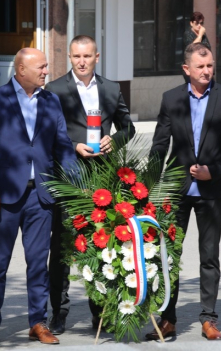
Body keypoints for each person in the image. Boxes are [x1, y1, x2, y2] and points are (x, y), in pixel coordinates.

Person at [0, 48, 77, 347]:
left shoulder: (50, 100)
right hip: (4, 198)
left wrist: (75, 185)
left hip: (40, 197)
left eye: (46, 66)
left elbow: (63, 146)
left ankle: (38, 322)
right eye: (41, 67)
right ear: (21, 70)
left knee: (37, 264)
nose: (47, 71)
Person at [146, 42, 221, 341]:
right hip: (177, 190)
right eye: (200, 66)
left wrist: (212, 171)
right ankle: (168, 319)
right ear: (186, 69)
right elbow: (160, 145)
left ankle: (208, 319)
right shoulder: (171, 98)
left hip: (211, 190)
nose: (207, 71)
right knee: (169, 256)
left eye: (210, 65)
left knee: (209, 255)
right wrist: (150, 187)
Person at [45, 35, 136, 334]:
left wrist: (115, 139)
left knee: (100, 244)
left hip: (102, 179)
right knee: (62, 246)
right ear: (70, 58)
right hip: (69, 179)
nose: (81, 62)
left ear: (97, 57)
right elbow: (45, 132)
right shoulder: (55, 89)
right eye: (76, 57)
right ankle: (58, 312)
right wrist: (73, 145)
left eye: (86, 56)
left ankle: (100, 312)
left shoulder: (110, 88)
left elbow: (128, 126)